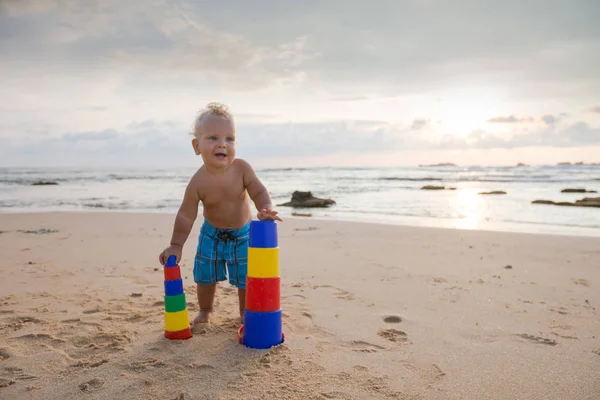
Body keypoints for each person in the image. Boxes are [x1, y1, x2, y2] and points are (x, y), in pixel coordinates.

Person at [158, 102, 282, 326]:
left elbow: (259, 191)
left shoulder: (242, 169)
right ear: (197, 146)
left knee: (246, 277)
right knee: (205, 274)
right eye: (213, 138)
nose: (222, 144)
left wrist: (265, 209)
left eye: (229, 139)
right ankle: (206, 310)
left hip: (242, 234)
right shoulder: (198, 181)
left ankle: (246, 312)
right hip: (211, 234)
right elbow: (186, 215)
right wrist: (176, 244)